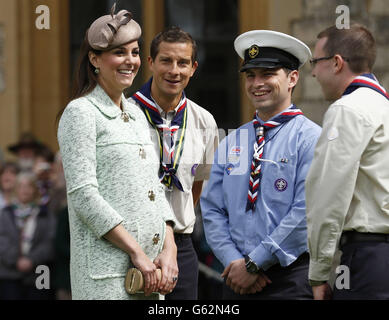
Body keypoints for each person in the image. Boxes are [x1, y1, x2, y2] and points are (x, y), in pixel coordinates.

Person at [57, 4, 178, 300]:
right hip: (108, 278)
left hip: (151, 274)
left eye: (135, 52)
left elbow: (155, 188)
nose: (130, 61)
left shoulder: (136, 113)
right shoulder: (80, 112)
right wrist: (136, 252)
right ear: (94, 59)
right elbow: (84, 195)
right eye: (119, 52)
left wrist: (169, 247)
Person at [200, 30, 321, 299]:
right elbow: (212, 208)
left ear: (292, 78)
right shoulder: (234, 140)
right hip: (235, 278)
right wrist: (234, 262)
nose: (257, 83)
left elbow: (306, 212)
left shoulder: (311, 138)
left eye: (267, 74)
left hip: (288, 278)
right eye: (251, 75)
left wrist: (257, 262)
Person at [129, 26, 219, 300]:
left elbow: (198, 185)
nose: (174, 70)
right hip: (134, 243)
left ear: (193, 68)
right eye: (166, 60)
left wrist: (175, 226)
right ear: (150, 63)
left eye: (182, 63)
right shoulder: (125, 114)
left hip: (181, 244)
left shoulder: (205, 122)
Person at [306, 24, 389, 300]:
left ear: (337, 63)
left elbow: (329, 195)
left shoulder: (347, 109)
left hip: (368, 257)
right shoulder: (383, 107)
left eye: (315, 62)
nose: (314, 72)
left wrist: (318, 272)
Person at [0, 172, 55, 300]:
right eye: (21, 186)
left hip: (41, 271)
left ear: (35, 190)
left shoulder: (45, 214)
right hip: (9, 272)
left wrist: (32, 259)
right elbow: (2, 241)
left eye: (29, 186)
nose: (25, 190)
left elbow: (50, 241)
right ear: (15, 190)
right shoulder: (5, 213)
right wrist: (16, 260)